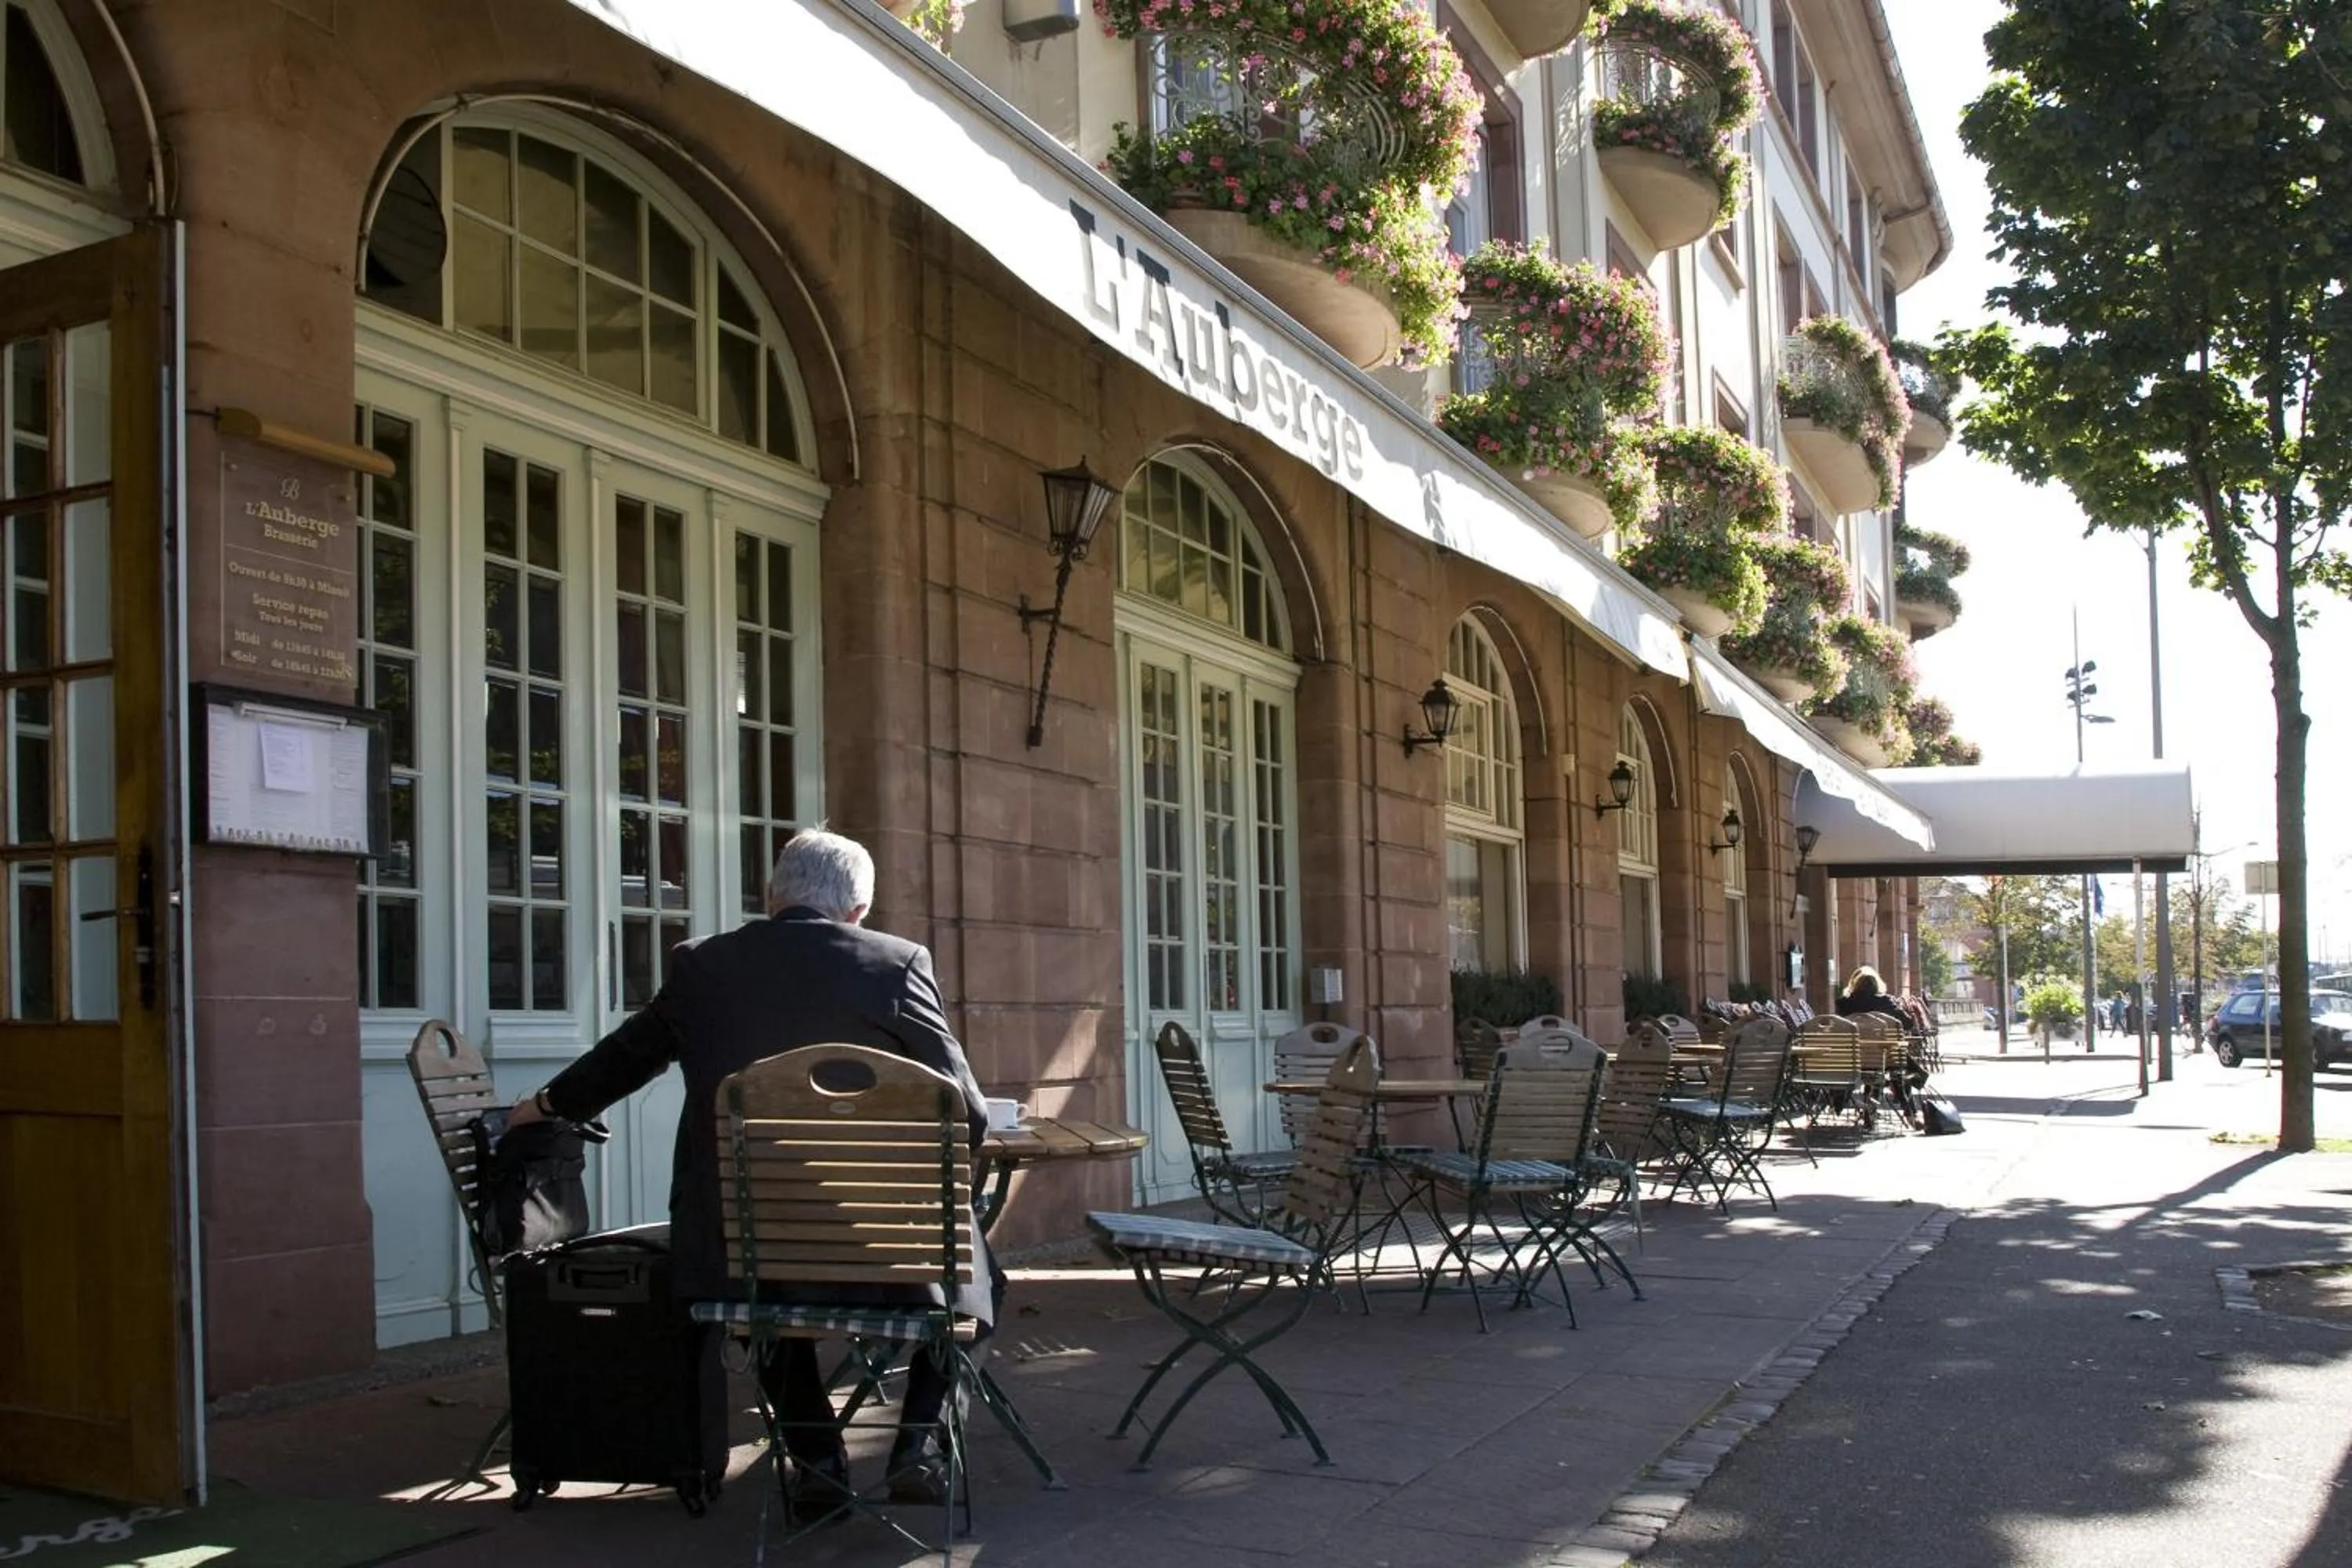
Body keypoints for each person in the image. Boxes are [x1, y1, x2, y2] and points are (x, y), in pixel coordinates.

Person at [506, 827, 996, 1515]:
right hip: (884, 1252)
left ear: (772, 896)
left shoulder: (702, 965)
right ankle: (920, 1445)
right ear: (857, 911)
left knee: (759, 1299)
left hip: (743, 1251)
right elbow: (966, 1113)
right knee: (978, 1274)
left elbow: (622, 1060)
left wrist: (543, 1105)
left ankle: (818, 1463)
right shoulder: (898, 964)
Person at [1835, 965, 1909, 1023]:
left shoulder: (1843, 1004)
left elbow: (1836, 1026)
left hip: (1854, 1042)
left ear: (1854, 984)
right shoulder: (1887, 1002)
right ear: (1877, 984)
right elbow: (1907, 1023)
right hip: (1883, 1042)